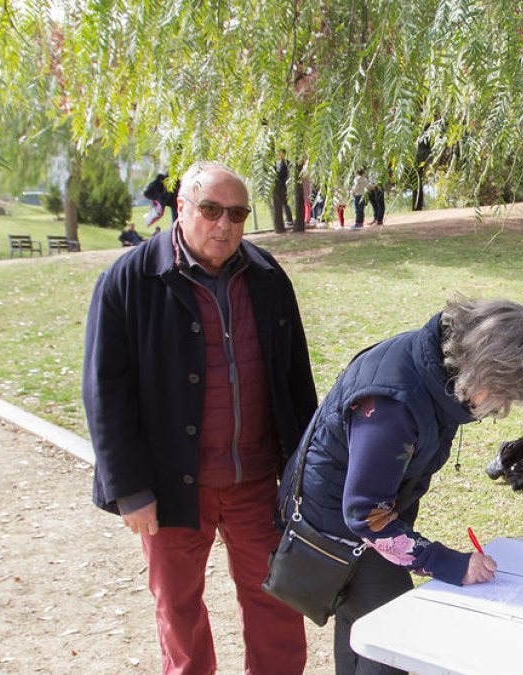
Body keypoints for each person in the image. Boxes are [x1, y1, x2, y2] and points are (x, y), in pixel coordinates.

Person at [83, 161, 318, 673]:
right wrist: (130, 489)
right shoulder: (129, 280)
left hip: (256, 481)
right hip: (168, 487)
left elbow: (295, 378)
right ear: (181, 209)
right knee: (178, 609)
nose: (224, 225)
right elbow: (106, 392)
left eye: (237, 213)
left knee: (277, 601)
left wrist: (308, 472)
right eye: (211, 210)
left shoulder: (267, 276)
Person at [283, 297, 523, 673]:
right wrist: (450, 563)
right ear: (485, 371)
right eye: (503, 396)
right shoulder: (393, 404)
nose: (499, 410)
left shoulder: (435, 369)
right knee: (391, 639)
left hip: (356, 521)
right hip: (335, 528)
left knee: (365, 628)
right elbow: (366, 515)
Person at [272, 149, 294, 231]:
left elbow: (281, 174)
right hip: (280, 186)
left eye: (280, 153)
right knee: (283, 203)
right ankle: (288, 219)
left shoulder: (286, 162)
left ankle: (289, 219)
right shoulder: (279, 163)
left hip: (283, 185)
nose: (279, 155)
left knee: (285, 202)